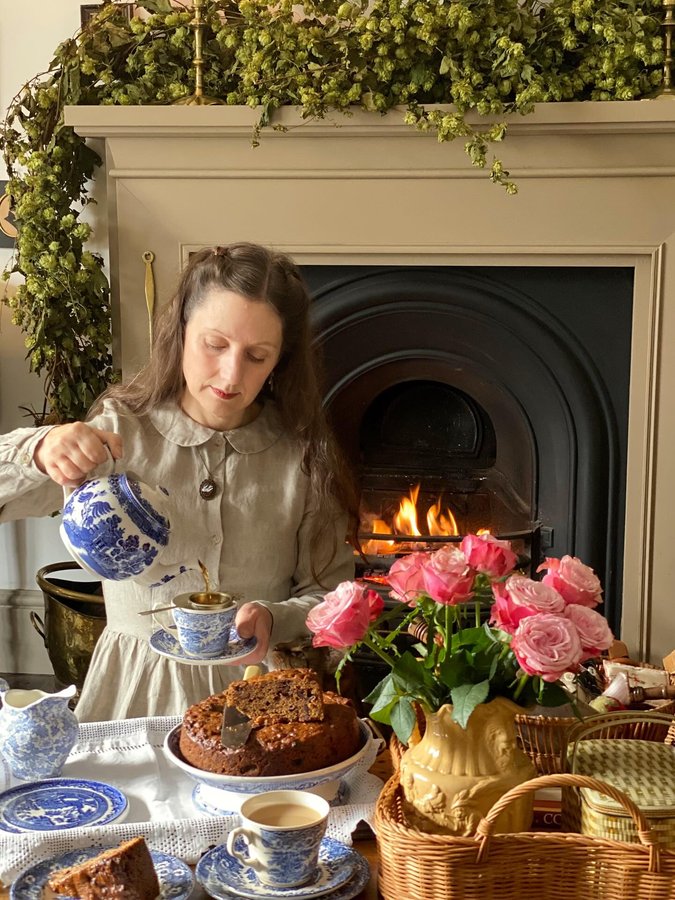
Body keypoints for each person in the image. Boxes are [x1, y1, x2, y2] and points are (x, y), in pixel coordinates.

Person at [0, 242, 359, 721]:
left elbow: (331, 597)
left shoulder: (300, 455)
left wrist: (276, 619)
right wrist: (40, 449)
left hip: (256, 700)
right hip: (133, 695)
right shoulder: (120, 431)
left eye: (257, 355)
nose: (231, 374)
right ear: (181, 331)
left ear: (281, 361)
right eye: (215, 345)